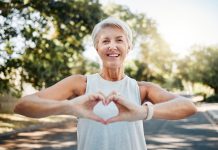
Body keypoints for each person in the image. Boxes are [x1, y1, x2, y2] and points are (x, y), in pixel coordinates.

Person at [14, 17, 197, 150]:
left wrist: (143, 111)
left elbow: (188, 106)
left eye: (119, 40)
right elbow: (23, 105)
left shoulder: (141, 89)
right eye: (105, 41)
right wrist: (68, 107)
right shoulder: (80, 84)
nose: (112, 46)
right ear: (97, 48)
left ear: (129, 47)